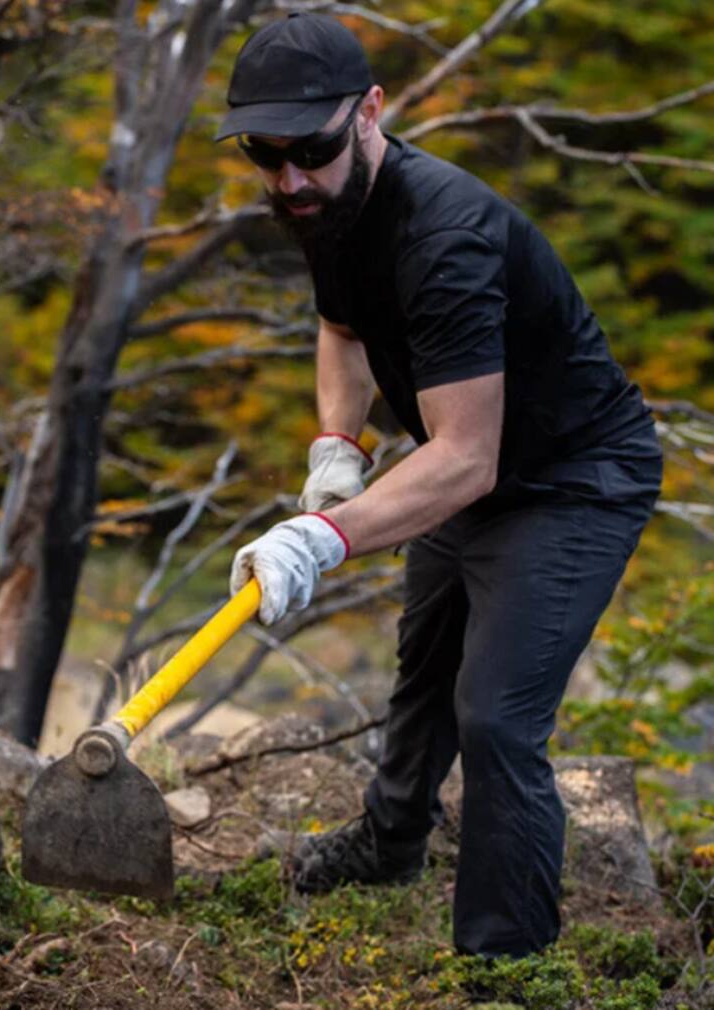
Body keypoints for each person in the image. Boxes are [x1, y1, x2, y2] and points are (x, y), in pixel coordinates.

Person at [216, 13, 663, 957]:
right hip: (468, 470)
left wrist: (324, 537)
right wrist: (339, 445)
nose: (289, 176)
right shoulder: (326, 206)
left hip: (573, 476)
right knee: (424, 673)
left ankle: (507, 961)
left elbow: (466, 456)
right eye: (265, 152)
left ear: (370, 112)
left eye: (311, 148)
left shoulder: (446, 234)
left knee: (496, 716)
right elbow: (342, 328)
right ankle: (389, 846)